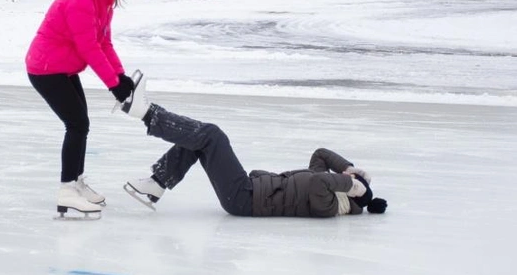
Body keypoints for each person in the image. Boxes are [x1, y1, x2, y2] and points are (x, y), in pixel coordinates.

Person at [119, 73, 388, 217]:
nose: (343, 177)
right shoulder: (331, 186)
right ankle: (157, 183)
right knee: (202, 139)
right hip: (248, 190)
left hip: (244, 200)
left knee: (212, 135)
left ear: (352, 194)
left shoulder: (330, 205)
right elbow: (320, 154)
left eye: (349, 183)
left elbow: (320, 183)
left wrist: (350, 184)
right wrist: (349, 168)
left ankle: (148, 113)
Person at [26, 0, 134, 218]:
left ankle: (76, 182)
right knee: (77, 125)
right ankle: (67, 191)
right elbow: (88, 48)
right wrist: (112, 85)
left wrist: (119, 76)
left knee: (81, 124)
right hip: (46, 69)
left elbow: (104, 42)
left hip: (64, 69)